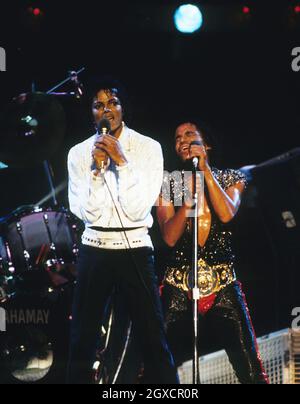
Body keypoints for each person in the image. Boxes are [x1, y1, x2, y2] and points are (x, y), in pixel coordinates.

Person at [66, 79, 178, 384]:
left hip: (135, 249)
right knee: (81, 341)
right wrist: (96, 171)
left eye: (113, 102)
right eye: (98, 104)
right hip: (94, 248)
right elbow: (86, 212)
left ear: (123, 107)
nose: (107, 110)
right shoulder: (77, 153)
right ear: (91, 112)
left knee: (153, 338)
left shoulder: (148, 148)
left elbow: (138, 208)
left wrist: (122, 162)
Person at [157, 122, 269, 384]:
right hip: (177, 286)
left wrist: (204, 170)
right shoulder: (169, 182)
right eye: (176, 138)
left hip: (223, 286)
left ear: (206, 144)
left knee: (251, 371)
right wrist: (186, 201)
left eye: (189, 135)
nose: (182, 141)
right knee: (153, 364)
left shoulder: (232, 177)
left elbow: (227, 212)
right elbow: (169, 237)